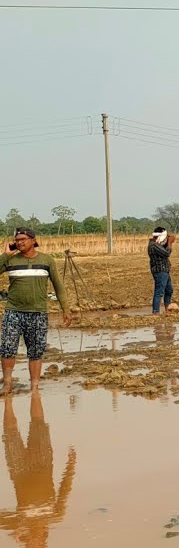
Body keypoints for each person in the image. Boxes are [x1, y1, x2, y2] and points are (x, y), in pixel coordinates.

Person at [0, 392, 76, 547]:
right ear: (44, 540)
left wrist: (14, 534)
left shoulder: (20, 523)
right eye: (38, 544)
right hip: (43, 463)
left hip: (19, 469)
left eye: (30, 545)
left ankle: (7, 401)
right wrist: (71, 465)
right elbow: (65, 489)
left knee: (10, 432)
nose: (35, 541)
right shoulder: (55, 515)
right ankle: (35, 393)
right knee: (38, 422)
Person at [1, 229, 69, 396]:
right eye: (16, 240)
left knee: (36, 351)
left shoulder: (46, 260)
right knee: (7, 348)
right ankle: (7, 384)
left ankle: (34, 388)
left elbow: (58, 286)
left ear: (33, 240)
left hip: (38, 313)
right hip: (13, 312)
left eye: (23, 239)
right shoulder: (11, 260)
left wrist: (65, 309)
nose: (19, 242)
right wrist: (5, 255)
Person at [147, 227, 178, 314]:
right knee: (159, 292)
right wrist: (170, 243)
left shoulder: (155, 244)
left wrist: (168, 243)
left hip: (164, 271)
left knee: (169, 290)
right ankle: (156, 312)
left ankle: (167, 309)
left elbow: (163, 250)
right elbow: (166, 253)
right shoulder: (154, 245)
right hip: (160, 271)